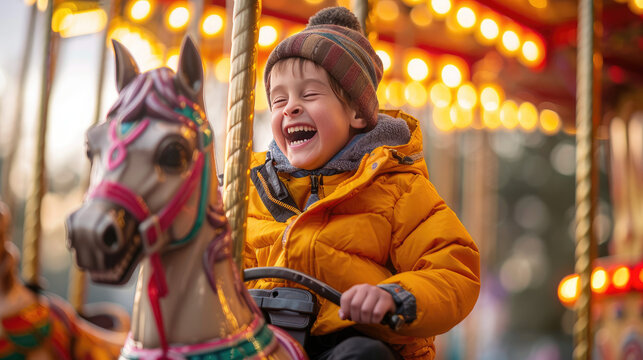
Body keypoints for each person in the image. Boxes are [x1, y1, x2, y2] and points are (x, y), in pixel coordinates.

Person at [244, 7, 480, 360]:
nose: (291, 108)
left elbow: (453, 269)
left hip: (351, 337)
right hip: (269, 339)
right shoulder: (255, 189)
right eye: (280, 100)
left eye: (309, 95)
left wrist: (393, 296)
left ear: (356, 111)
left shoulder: (397, 188)